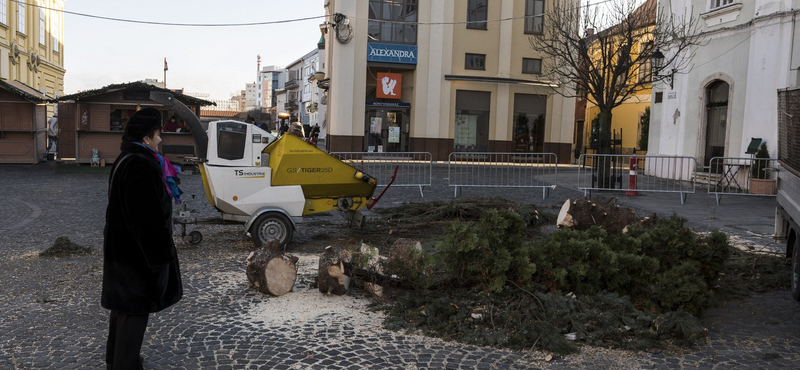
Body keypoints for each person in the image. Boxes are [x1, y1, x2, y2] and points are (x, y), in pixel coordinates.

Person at [102, 107, 183, 370]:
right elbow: (146, 218)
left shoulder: (128, 158)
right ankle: (125, 365)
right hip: (136, 256)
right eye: (158, 134)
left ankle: (117, 359)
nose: (161, 139)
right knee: (134, 312)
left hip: (123, 250)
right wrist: (159, 257)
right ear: (147, 138)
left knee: (123, 309)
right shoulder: (140, 164)